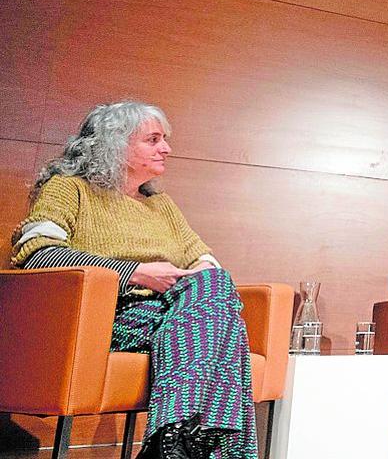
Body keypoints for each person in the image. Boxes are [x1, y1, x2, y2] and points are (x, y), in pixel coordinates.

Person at [10, 101, 255, 459]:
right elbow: (37, 254)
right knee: (225, 331)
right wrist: (134, 273)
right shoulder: (69, 189)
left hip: (171, 314)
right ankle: (178, 442)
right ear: (114, 145)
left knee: (215, 287)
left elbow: (203, 260)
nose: (166, 148)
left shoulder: (160, 205)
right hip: (108, 315)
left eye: (164, 139)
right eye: (153, 139)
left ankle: (174, 438)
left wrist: (199, 273)